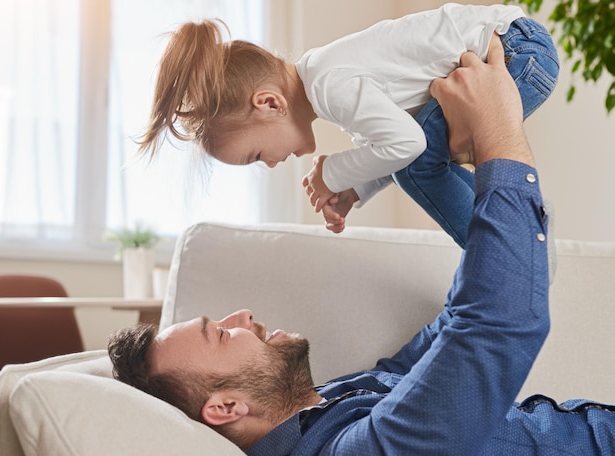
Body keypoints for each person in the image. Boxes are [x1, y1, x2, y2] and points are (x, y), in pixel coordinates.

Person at [109, 37, 614, 454]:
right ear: (224, 408)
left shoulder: (331, 401)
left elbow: (458, 321)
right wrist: (497, 131)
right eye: (219, 333)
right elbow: (498, 323)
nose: (239, 315)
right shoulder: (355, 450)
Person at [136, 3, 558, 248]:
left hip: (513, 52)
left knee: (418, 165)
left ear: (269, 103)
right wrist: (354, 190)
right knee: (418, 164)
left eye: (255, 155)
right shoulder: (328, 80)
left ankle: (505, 251)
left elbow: (406, 146)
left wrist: (332, 172)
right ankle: (520, 227)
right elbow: (396, 147)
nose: (268, 164)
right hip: (519, 47)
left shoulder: (329, 83)